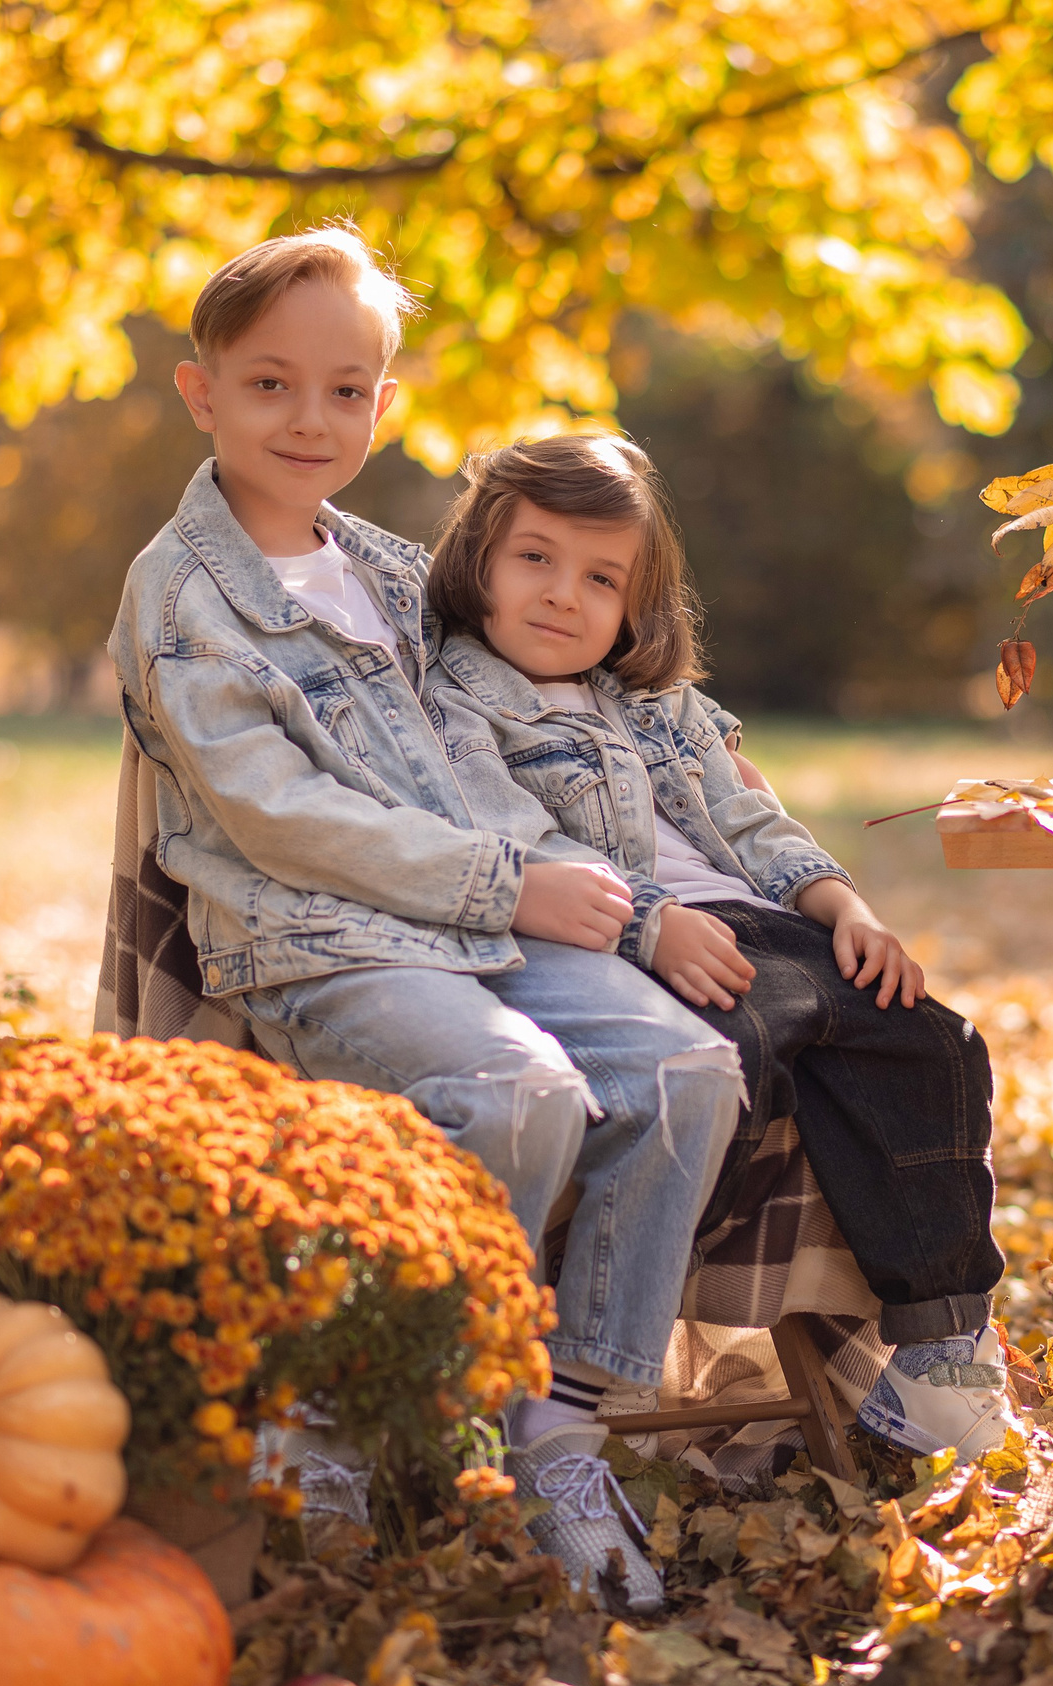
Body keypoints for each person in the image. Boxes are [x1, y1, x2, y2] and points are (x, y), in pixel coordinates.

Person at [104, 227, 742, 1609]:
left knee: (686, 1068)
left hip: (483, 931)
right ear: (200, 391)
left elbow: (500, 744)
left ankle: (558, 1424)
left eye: (345, 390)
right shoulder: (184, 595)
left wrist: (630, 896)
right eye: (270, 384)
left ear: (383, 405)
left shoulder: (397, 575)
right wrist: (507, 885)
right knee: (518, 1094)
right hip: (322, 941)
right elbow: (283, 816)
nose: (310, 418)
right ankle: (345, 1420)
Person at [421, 431, 1016, 1461]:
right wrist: (650, 923)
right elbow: (519, 841)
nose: (563, 594)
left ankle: (942, 1345)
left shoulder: (661, 704)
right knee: (731, 1057)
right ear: (477, 562)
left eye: (601, 577)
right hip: (633, 946)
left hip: (772, 926)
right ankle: (619, 1341)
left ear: (635, 604)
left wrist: (846, 907)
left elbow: (753, 821)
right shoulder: (457, 699)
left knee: (930, 1039)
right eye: (534, 558)